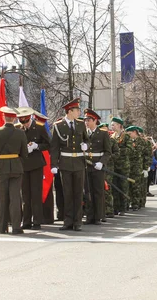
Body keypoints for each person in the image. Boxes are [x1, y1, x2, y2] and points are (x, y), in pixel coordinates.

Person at [50, 98, 89, 231]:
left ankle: (77, 222)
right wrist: (54, 164)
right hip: (65, 163)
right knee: (67, 193)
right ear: (70, 111)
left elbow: (86, 140)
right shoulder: (58, 126)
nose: (79, 112)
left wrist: (86, 145)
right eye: (77, 110)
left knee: (78, 193)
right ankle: (68, 221)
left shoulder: (80, 124)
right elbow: (54, 147)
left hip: (78, 163)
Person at [0, 106, 28, 234]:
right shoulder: (20, 133)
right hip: (16, 167)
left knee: (2, 198)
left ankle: (1, 227)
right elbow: (24, 153)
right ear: (14, 118)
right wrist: (17, 163)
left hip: (2, 168)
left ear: (4, 117)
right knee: (15, 197)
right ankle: (16, 227)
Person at [16, 107, 51, 230]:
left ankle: (37, 221)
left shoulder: (39, 127)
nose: (24, 124)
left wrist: (37, 146)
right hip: (24, 165)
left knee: (36, 194)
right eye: (22, 122)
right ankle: (26, 221)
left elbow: (48, 144)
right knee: (25, 194)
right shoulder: (18, 129)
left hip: (36, 164)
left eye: (26, 122)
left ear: (30, 118)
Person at [83, 108, 111, 224]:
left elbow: (108, 151)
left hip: (98, 166)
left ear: (95, 121)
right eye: (86, 120)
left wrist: (102, 162)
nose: (86, 122)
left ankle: (98, 216)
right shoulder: (83, 133)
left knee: (98, 191)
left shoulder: (103, 134)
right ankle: (90, 216)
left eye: (89, 120)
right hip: (87, 165)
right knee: (88, 191)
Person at [32, 110, 55, 224]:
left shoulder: (40, 130)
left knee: (45, 188)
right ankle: (45, 216)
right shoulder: (41, 130)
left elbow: (49, 145)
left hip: (43, 160)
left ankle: (46, 216)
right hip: (42, 159)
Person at [110, 117, 131, 216]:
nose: (112, 126)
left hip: (123, 165)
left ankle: (123, 207)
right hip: (114, 165)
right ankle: (116, 207)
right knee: (115, 186)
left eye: (113, 124)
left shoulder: (126, 136)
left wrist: (118, 151)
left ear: (119, 125)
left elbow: (130, 149)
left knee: (123, 186)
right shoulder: (112, 137)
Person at [99, 123, 119, 220]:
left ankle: (109, 210)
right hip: (98, 167)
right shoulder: (97, 139)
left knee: (107, 188)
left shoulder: (112, 141)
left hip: (109, 167)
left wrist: (107, 157)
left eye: (105, 130)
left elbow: (117, 153)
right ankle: (100, 210)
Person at [126, 126, 144, 211]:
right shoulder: (129, 141)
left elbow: (139, 153)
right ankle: (131, 202)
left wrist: (145, 167)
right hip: (129, 166)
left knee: (136, 185)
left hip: (137, 166)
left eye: (130, 134)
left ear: (134, 132)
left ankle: (136, 203)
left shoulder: (140, 141)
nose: (129, 135)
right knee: (129, 186)